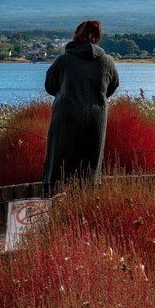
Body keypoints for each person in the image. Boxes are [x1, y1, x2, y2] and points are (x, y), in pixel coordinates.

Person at [42, 20, 120, 191]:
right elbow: (113, 85)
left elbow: (49, 85)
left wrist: (64, 94)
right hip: (96, 118)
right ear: (97, 38)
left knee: (60, 163)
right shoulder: (107, 62)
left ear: (76, 36)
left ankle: (56, 200)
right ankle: (87, 202)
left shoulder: (64, 60)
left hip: (66, 117)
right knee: (91, 166)